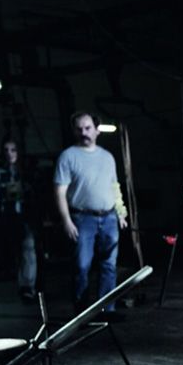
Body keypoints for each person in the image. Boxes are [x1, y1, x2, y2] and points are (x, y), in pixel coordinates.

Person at [54, 112, 128, 315]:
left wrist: (121, 213)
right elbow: (60, 192)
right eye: (79, 128)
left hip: (109, 217)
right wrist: (66, 220)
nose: (84, 132)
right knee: (81, 267)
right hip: (82, 218)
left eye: (87, 128)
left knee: (109, 266)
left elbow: (115, 187)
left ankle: (107, 310)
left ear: (96, 130)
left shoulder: (107, 157)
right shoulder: (68, 157)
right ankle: (82, 313)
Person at [0, 139, 37, 301]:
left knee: (28, 248)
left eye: (13, 150)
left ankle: (28, 286)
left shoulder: (28, 173)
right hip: (9, 217)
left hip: (28, 216)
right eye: (6, 150)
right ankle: (24, 284)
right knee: (18, 252)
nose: (10, 153)